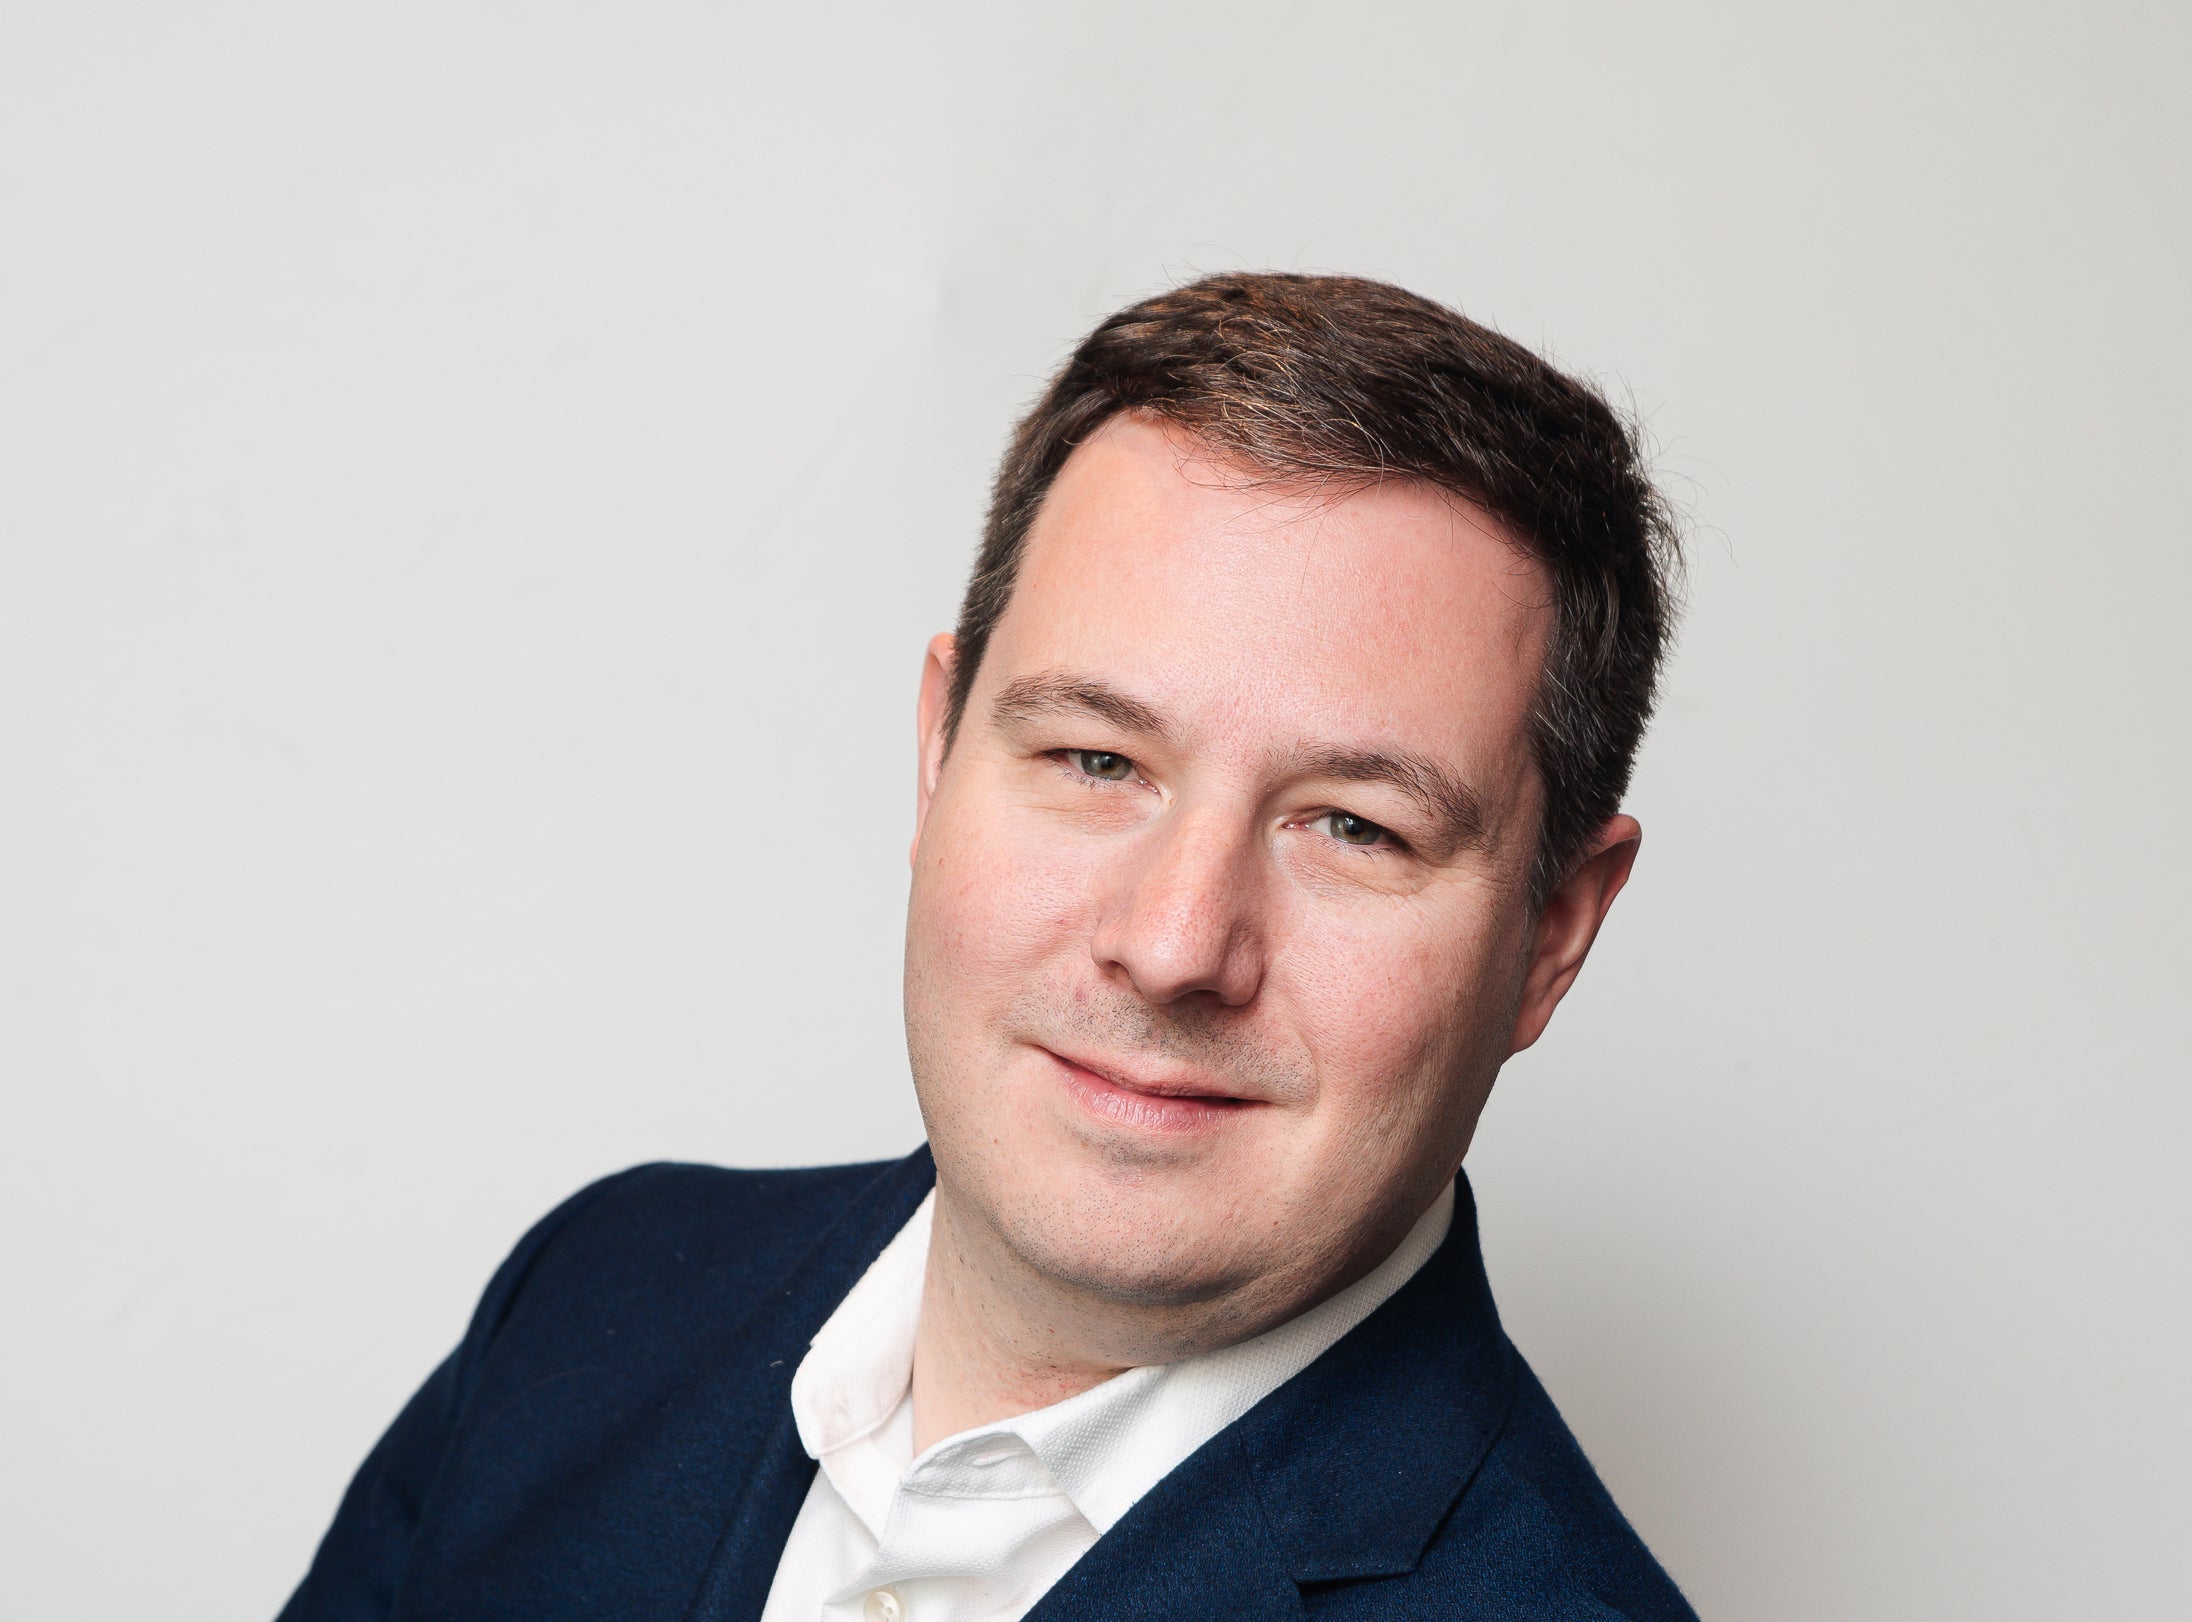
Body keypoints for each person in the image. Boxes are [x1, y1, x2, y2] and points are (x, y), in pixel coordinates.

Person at [279, 272, 1696, 1621]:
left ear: (1552, 936)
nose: (1174, 945)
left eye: (1354, 827)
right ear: (937, 753)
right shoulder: (592, 1301)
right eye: (1097, 759)